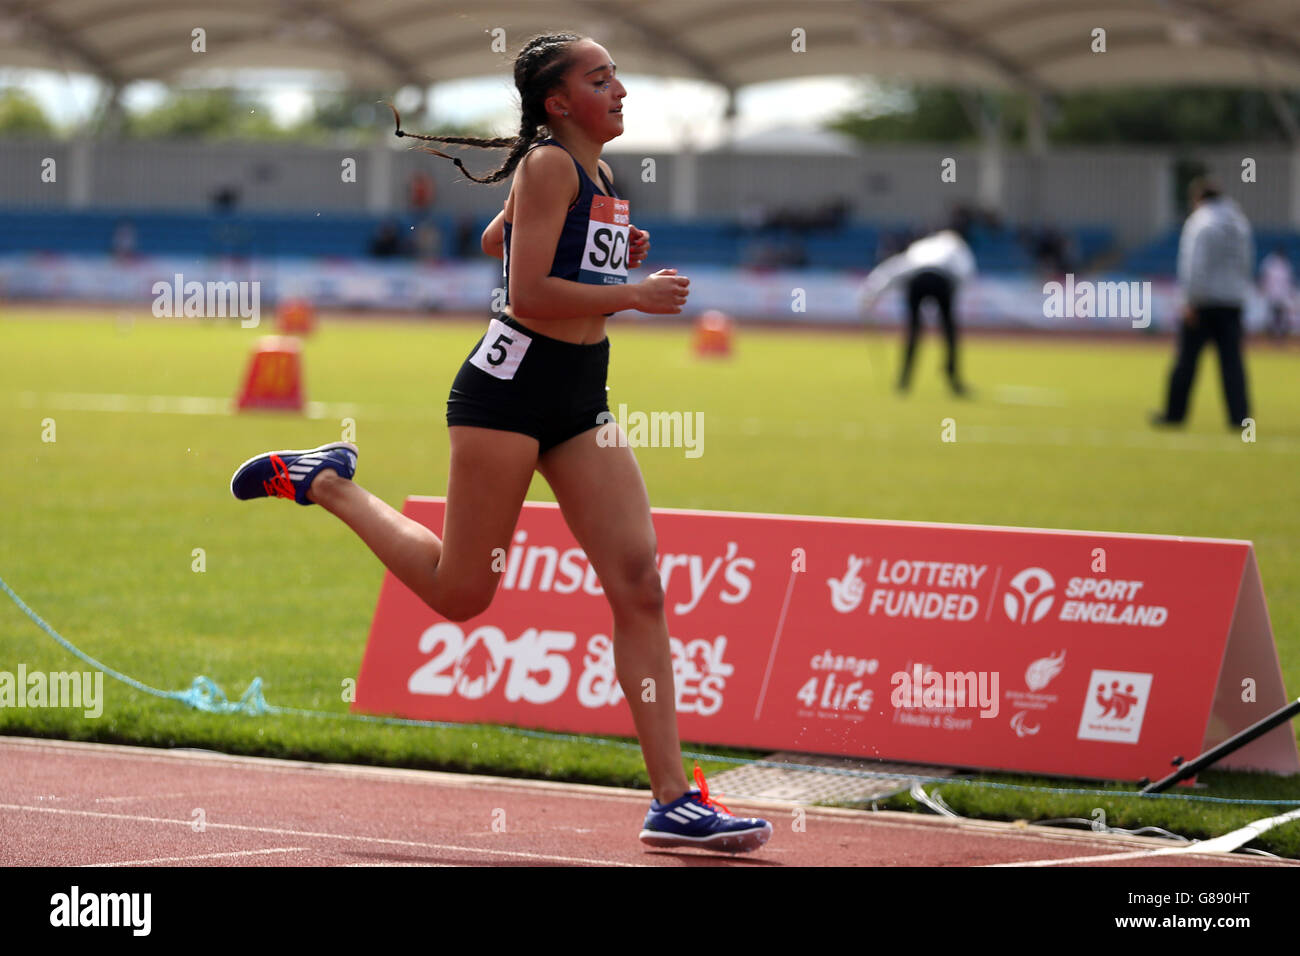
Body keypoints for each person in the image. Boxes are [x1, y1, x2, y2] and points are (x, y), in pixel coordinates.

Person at [227, 33, 771, 855]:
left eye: (616, 74)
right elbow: (524, 287)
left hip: (581, 397)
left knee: (640, 584)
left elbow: (497, 242)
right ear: (558, 102)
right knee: (461, 595)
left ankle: (672, 800)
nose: (619, 89)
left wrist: (603, 251)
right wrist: (629, 291)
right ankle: (328, 483)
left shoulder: (593, 173)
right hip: (508, 392)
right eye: (600, 78)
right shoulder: (551, 165)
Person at [1153, 177, 1253, 428]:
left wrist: (1190, 300)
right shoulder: (1240, 224)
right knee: (1232, 363)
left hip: (1203, 303)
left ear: (1198, 199)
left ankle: (1174, 414)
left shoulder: (1200, 223)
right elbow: (1247, 264)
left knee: (1186, 361)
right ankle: (1239, 417)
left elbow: (1193, 265)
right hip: (1232, 302)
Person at [857, 224, 976, 395]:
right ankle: (953, 379)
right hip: (942, 280)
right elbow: (965, 272)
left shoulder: (922, 245)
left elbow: (895, 268)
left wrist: (871, 294)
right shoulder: (958, 246)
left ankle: (904, 381)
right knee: (949, 331)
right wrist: (953, 292)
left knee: (913, 331)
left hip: (916, 280)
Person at [1259, 246, 1294, 339]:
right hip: (1272, 293)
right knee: (1271, 314)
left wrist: (1288, 292)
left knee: (1282, 315)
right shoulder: (1269, 262)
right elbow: (1264, 277)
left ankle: (1281, 334)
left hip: (1282, 293)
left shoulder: (1285, 263)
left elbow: (1288, 280)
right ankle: (1271, 334)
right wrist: (1264, 288)